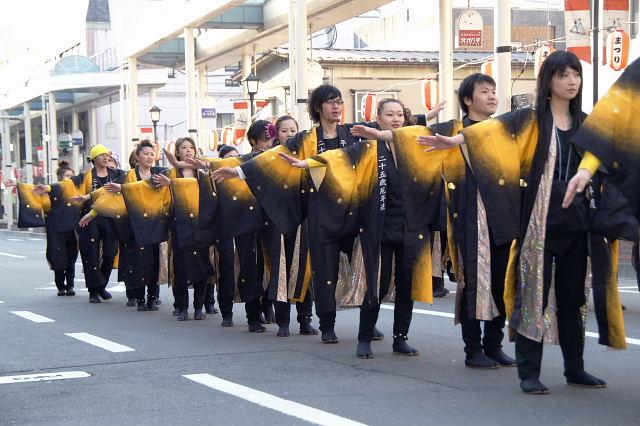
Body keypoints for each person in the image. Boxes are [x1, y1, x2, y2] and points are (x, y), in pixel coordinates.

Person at [421, 51, 615, 394]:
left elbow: (607, 160)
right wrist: (454, 141)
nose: (571, 81)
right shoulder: (528, 119)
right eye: (563, 75)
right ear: (548, 81)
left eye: (576, 75)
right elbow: (488, 132)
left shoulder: (586, 123)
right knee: (532, 297)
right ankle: (529, 371)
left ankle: (575, 367)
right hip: (537, 223)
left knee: (574, 299)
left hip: (577, 223)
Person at [80, 141, 169, 311]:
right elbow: (107, 194)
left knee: (154, 260)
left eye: (152, 154)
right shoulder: (127, 176)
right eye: (145, 154)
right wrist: (91, 212)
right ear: (137, 156)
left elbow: (177, 184)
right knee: (138, 261)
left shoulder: (159, 174)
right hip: (135, 225)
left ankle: (152, 296)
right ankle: (140, 298)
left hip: (155, 223)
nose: (149, 157)